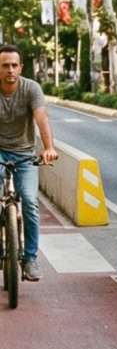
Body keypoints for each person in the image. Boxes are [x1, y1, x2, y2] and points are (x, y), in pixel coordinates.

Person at [0, 45, 58, 281]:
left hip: (24, 152)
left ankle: (30, 259)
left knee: (30, 201)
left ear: (21, 67)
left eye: (14, 65)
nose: (10, 70)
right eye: (5, 65)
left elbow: (42, 119)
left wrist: (49, 148)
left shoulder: (31, 89)